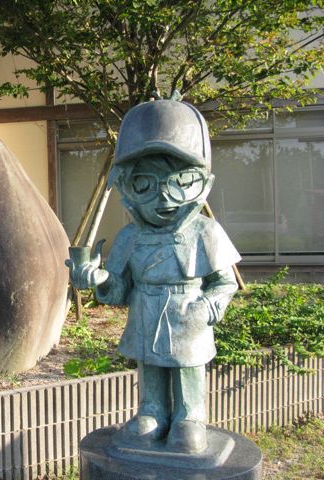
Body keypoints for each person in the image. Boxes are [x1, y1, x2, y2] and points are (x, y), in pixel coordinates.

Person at [67, 99, 240, 453]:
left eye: (180, 181)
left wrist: (208, 307)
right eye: (145, 182)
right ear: (126, 184)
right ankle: (153, 411)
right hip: (145, 310)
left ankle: (190, 416)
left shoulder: (204, 231)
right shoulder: (130, 237)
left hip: (188, 311)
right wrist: (100, 280)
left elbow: (225, 281)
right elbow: (119, 289)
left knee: (186, 366)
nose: (163, 197)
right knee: (150, 366)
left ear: (201, 182)